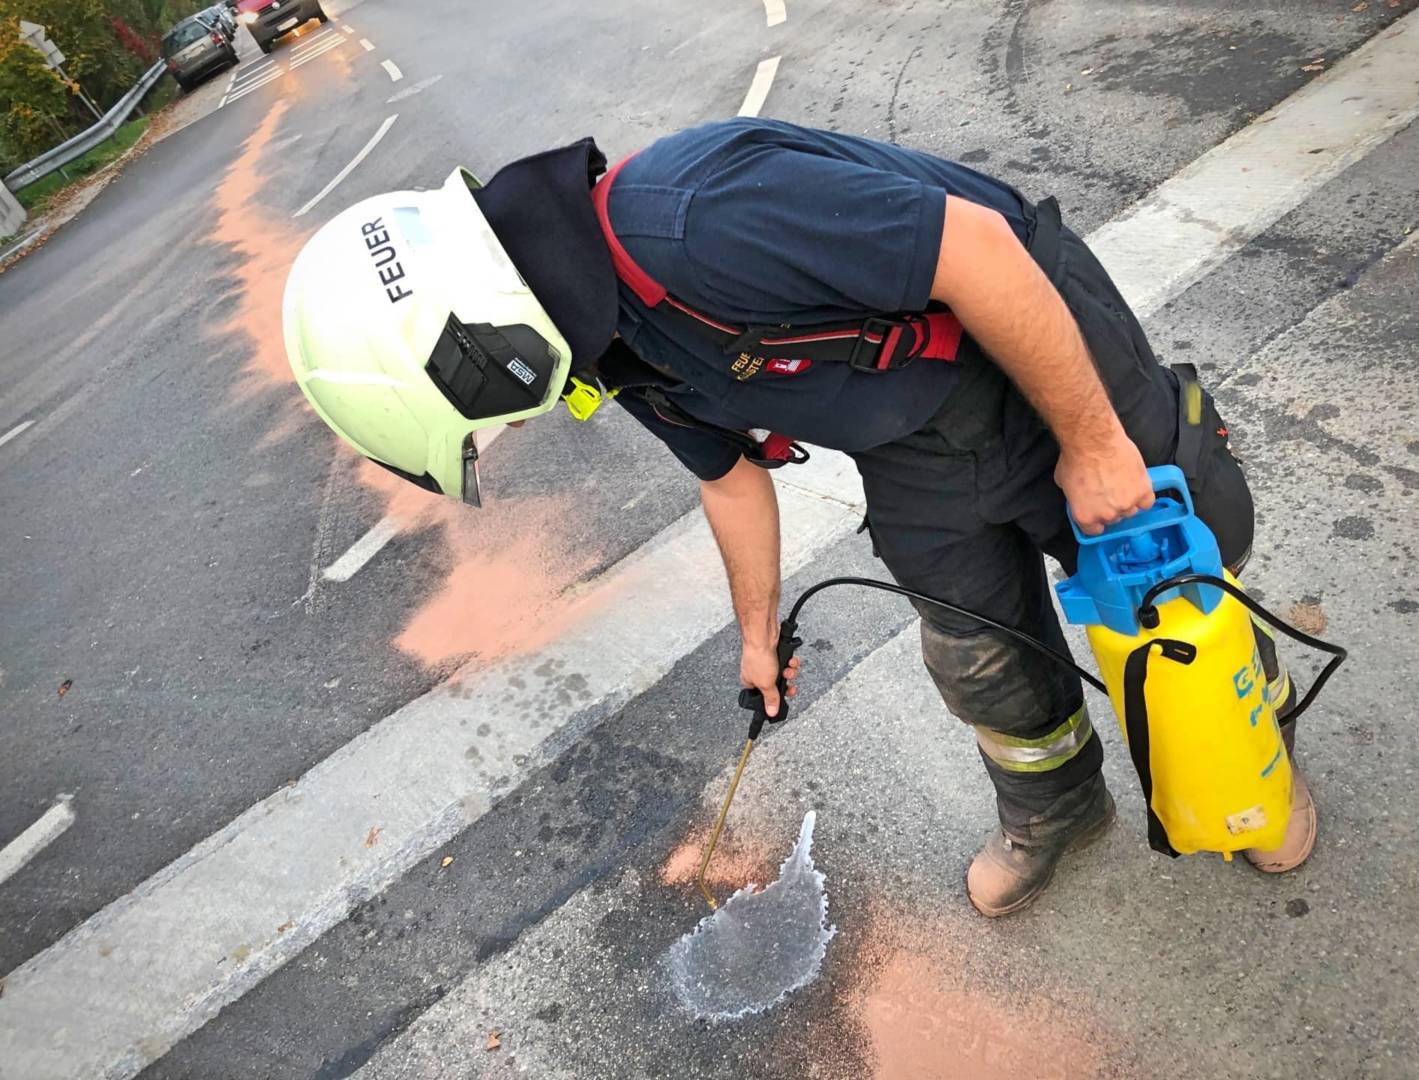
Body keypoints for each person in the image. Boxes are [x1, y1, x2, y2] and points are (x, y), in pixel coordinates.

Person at [282, 118, 1314, 917]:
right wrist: (755, 636)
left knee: (1168, 589)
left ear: (471, 349)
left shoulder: (696, 219)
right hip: (911, 434)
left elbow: (983, 255)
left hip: (1032, 345)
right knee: (973, 649)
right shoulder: (599, 334)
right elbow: (729, 476)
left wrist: (1092, 444)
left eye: (485, 415)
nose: (514, 424)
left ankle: (1254, 775)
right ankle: (1058, 809)